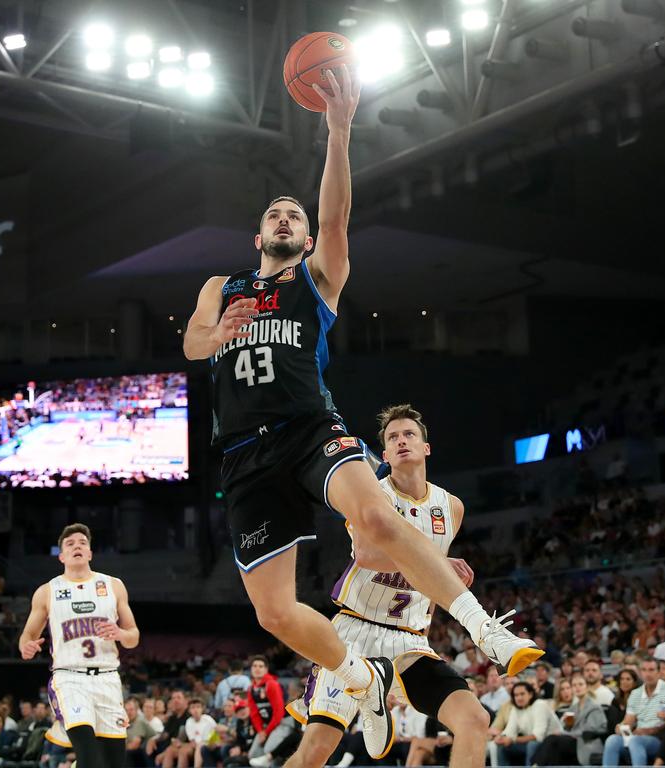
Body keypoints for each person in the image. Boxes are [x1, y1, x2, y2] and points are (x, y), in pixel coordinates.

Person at [181, 63, 541, 760]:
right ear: (258, 238)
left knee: (375, 514)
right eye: (273, 215)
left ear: (306, 240)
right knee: (274, 611)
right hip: (245, 456)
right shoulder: (221, 286)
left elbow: (338, 213)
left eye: (295, 216)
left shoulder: (317, 281)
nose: (286, 218)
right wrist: (216, 331)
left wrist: (339, 130)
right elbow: (193, 342)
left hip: (310, 427)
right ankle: (354, 678)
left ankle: (483, 628)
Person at [284, 405, 489, 768]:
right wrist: (441, 564)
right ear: (385, 453)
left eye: (409, 434)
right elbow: (367, 554)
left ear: (426, 447)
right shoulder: (369, 494)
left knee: (474, 719)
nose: (401, 441)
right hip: (354, 634)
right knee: (315, 751)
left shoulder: (451, 507)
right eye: (392, 438)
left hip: (409, 639)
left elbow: (428, 579)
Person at [19, 523, 139, 768]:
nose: (77, 546)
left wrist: (119, 633)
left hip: (107, 678)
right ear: (61, 556)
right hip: (69, 678)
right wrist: (27, 647)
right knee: (88, 755)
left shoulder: (113, 586)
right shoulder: (47, 592)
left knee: (114, 763)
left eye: (83, 543)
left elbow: (133, 636)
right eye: (70, 543)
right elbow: (27, 635)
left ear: (90, 553)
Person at [603, 658, 665, 766]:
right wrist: (621, 727)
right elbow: (628, 721)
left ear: (658, 672)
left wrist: (650, 730)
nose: (648, 674)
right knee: (612, 740)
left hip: (660, 739)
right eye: (644, 670)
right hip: (638, 735)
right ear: (640, 673)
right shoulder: (635, 694)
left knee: (636, 741)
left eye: (651, 670)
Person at [533, 673, 607, 766]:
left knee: (552, 740)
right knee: (553, 746)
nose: (577, 688)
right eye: (574, 685)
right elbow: (563, 727)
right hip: (573, 742)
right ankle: (536, 765)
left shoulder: (594, 707)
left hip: (585, 742)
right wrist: (566, 726)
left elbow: (589, 730)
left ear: (587, 686)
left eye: (580, 684)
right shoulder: (573, 708)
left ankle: (536, 765)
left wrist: (564, 733)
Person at [492, 682, 559, 766]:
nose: (519, 698)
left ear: (530, 694)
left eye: (522, 694)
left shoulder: (540, 705)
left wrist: (512, 739)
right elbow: (509, 731)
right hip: (530, 742)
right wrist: (501, 738)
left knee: (532, 745)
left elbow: (537, 736)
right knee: (502, 746)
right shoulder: (516, 709)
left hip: (549, 744)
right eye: (516, 695)